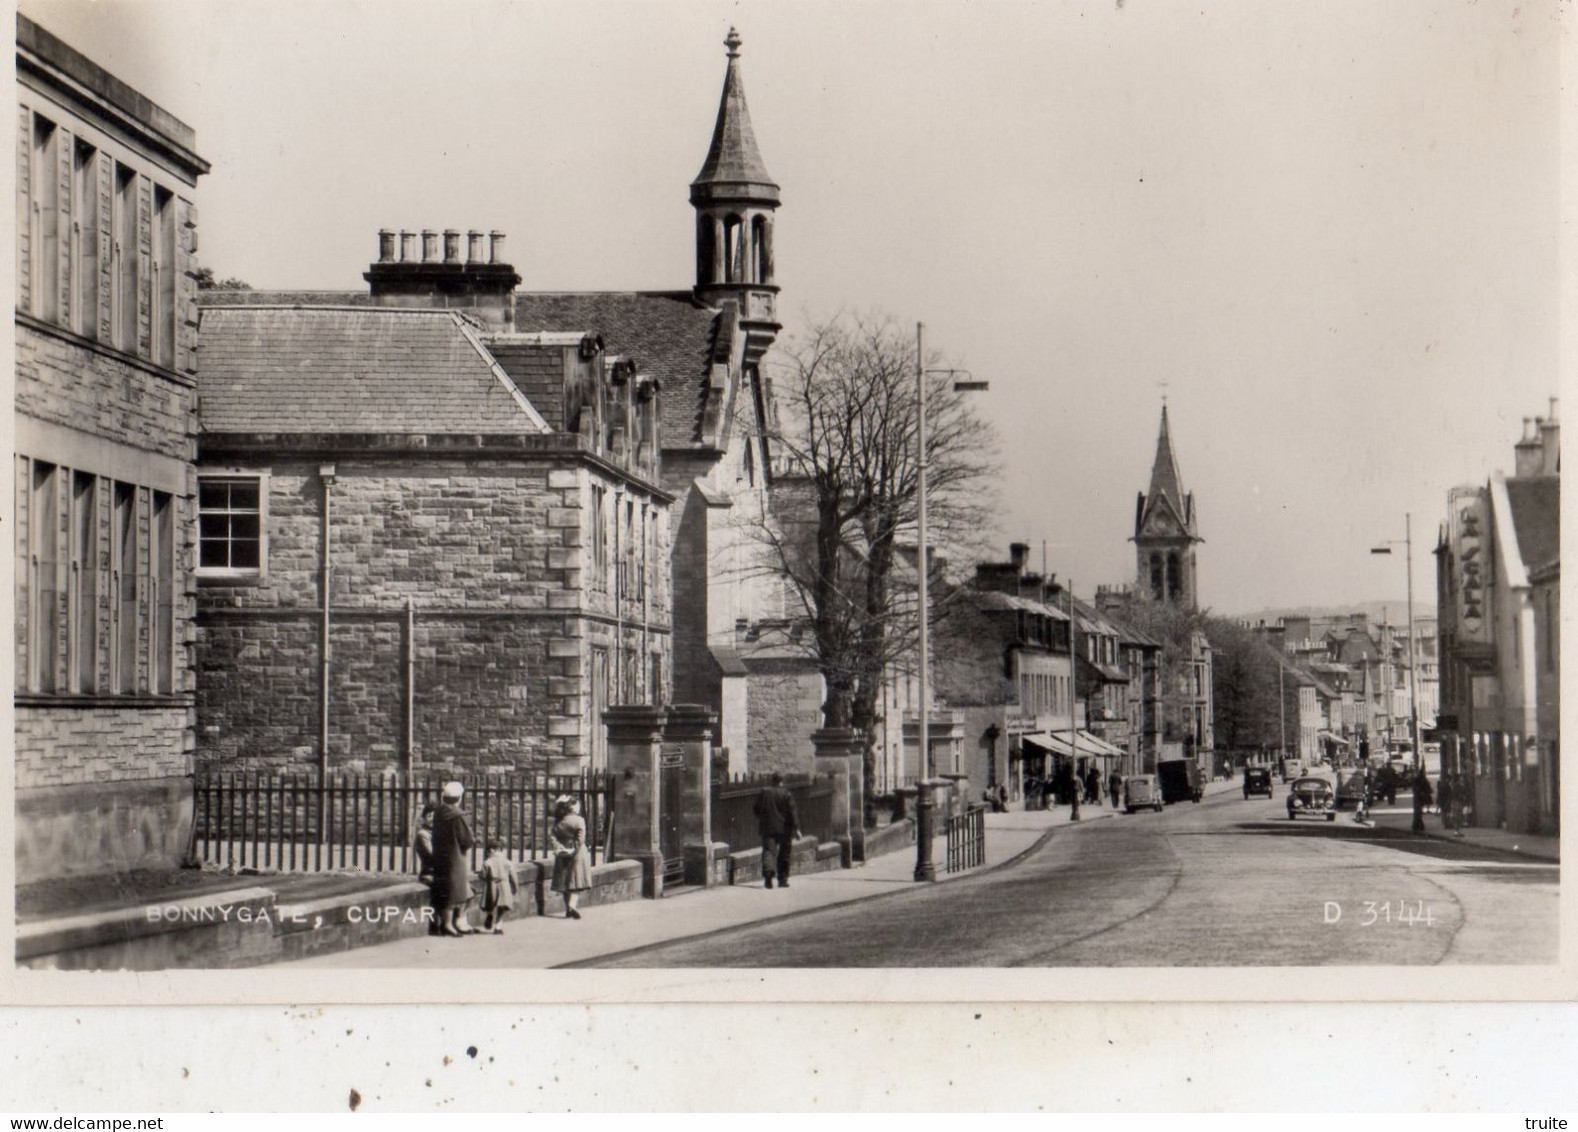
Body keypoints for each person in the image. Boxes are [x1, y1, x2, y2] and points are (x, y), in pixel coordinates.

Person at [432, 781, 477, 937]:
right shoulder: (458, 815)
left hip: (440, 855)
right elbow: (467, 839)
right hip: (456, 856)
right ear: (459, 797)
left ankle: (449, 923)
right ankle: (451, 924)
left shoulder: (438, 812)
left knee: (446, 890)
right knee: (457, 890)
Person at [752, 772, 800, 889]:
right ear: (781, 781)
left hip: (768, 827)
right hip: (784, 829)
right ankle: (782, 879)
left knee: (768, 851)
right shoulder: (786, 794)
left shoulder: (764, 793)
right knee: (784, 854)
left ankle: (768, 874)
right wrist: (796, 828)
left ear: (772, 781)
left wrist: (762, 818)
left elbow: (756, 808)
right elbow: (792, 812)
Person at [549, 795, 592, 919]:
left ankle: (568, 908)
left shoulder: (559, 821)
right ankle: (572, 906)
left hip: (562, 854)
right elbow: (580, 839)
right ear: (572, 807)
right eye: (577, 805)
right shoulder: (579, 820)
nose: (579, 807)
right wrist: (572, 849)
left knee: (565, 882)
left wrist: (560, 848)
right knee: (576, 882)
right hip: (577, 854)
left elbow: (553, 837)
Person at [412, 802, 439, 935]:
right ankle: (437, 926)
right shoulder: (423, 834)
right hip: (430, 873)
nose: (432, 819)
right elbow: (432, 855)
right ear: (424, 818)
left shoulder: (438, 832)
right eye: (429, 816)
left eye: (435, 816)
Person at [479, 841, 516, 934]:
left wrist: (484, 877)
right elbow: (513, 876)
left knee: (490, 903)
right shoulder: (507, 862)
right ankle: (498, 926)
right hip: (504, 884)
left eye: (487, 852)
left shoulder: (487, 862)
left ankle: (490, 914)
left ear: (491, 850)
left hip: (491, 884)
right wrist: (515, 887)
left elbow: (482, 875)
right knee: (502, 906)